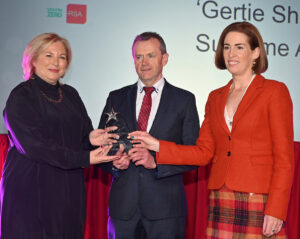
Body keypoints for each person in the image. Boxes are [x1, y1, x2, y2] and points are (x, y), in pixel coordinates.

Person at [129, 22, 294, 238]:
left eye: (239, 47)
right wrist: (157, 145)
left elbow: (284, 159)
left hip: (259, 200)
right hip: (221, 196)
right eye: (226, 47)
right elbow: (202, 152)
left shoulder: (274, 91)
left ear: (255, 52)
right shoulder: (215, 97)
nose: (231, 54)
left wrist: (276, 210)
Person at [0, 33, 122, 239]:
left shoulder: (71, 95)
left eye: (62, 57)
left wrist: (91, 139)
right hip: (30, 190)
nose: (56, 62)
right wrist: (86, 158)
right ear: (34, 59)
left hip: (67, 189)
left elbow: (82, 137)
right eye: (49, 55)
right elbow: (34, 146)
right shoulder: (21, 95)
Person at [97, 32, 200, 239]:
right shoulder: (115, 97)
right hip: (123, 210)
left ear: (165, 59)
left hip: (166, 212)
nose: (143, 62)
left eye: (151, 56)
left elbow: (194, 155)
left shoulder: (184, 100)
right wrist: (114, 164)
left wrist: (156, 163)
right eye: (138, 57)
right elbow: (100, 149)